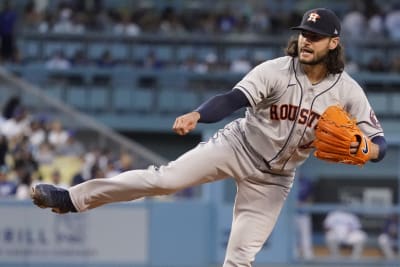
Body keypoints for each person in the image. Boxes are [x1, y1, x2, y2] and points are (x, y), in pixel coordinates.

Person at [31, 8, 387, 267]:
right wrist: (199, 114)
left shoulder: (348, 91)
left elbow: (379, 144)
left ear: (333, 43)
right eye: (303, 34)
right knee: (164, 179)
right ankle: (71, 198)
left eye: (315, 36)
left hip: (275, 179)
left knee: (239, 258)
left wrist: (367, 149)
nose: (305, 41)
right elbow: (233, 99)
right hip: (238, 146)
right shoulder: (276, 70)